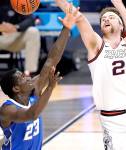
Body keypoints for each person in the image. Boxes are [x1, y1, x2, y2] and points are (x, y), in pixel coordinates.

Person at [55, 0, 126, 149]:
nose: (106, 19)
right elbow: (78, 18)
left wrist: (118, 4)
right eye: (103, 19)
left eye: (111, 17)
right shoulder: (96, 46)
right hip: (114, 122)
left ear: (121, 25)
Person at [0, 6, 78, 149]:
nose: (29, 78)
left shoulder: (34, 91)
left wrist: (66, 28)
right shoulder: (7, 110)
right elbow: (32, 114)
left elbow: (51, 60)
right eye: (22, 77)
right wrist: (49, 89)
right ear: (16, 88)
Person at [0, 0, 40, 76]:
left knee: (33, 32)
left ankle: (29, 74)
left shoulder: (18, 2)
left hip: (13, 38)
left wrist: (15, 27)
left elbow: (31, 19)